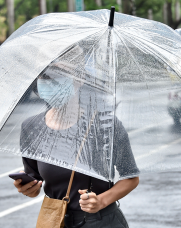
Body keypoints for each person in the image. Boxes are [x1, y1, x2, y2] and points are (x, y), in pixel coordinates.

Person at [13, 63, 140, 228]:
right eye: (44, 76)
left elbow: (131, 177)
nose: (50, 81)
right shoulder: (31, 127)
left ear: (78, 80)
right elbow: (35, 180)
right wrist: (28, 188)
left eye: (58, 74)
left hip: (101, 222)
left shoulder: (105, 124)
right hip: (55, 221)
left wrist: (101, 201)